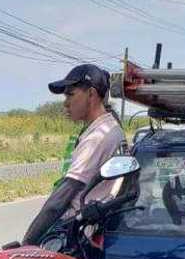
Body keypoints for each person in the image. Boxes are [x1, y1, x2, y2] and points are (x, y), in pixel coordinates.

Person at [23, 64, 125, 245]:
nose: (65, 102)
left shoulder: (99, 136)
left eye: (71, 94)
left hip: (77, 235)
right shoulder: (108, 127)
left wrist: (28, 242)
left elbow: (59, 201)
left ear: (91, 94)